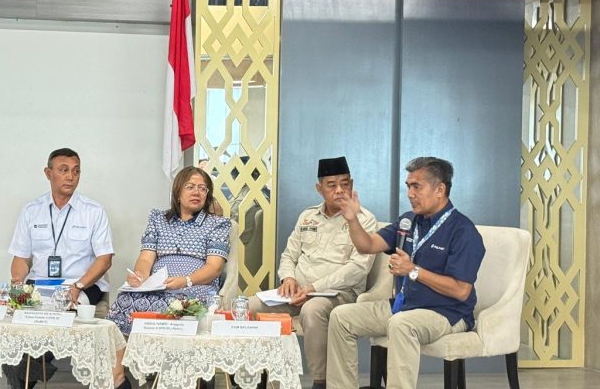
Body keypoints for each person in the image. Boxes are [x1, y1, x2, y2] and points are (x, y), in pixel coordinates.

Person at [326, 157, 486, 389]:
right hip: (405, 306)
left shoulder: (463, 231)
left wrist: (413, 271)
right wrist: (352, 220)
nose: (410, 194)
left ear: (440, 189)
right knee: (341, 317)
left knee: (401, 324)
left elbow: (461, 291)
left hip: (446, 312)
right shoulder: (408, 221)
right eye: (408, 186)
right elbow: (367, 245)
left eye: (416, 187)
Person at [248, 156, 377, 389]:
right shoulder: (307, 216)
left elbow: (357, 269)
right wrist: (288, 278)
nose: (340, 190)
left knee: (312, 309)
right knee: (250, 306)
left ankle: (321, 381)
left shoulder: (364, 220)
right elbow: (289, 255)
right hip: (296, 293)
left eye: (345, 184)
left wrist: (314, 288)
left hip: (339, 295)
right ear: (319, 189)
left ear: (352, 185)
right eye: (332, 185)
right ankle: (254, 376)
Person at [3, 148, 122, 389]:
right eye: (64, 170)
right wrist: (16, 285)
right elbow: (21, 258)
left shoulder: (93, 211)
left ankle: (33, 366)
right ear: (48, 173)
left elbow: (104, 259)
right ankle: (27, 369)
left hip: (83, 286)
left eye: (76, 171)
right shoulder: (31, 210)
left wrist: (78, 285)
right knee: (15, 327)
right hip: (39, 286)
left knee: (55, 315)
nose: (70, 177)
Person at [106, 166, 231, 335]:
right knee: (125, 299)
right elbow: (145, 259)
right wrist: (140, 275)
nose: (197, 192)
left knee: (175, 305)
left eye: (202, 189)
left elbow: (214, 268)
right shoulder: (159, 219)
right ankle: (127, 353)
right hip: (159, 286)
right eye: (190, 187)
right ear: (177, 193)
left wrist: (186, 281)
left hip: (195, 286)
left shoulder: (217, 224)